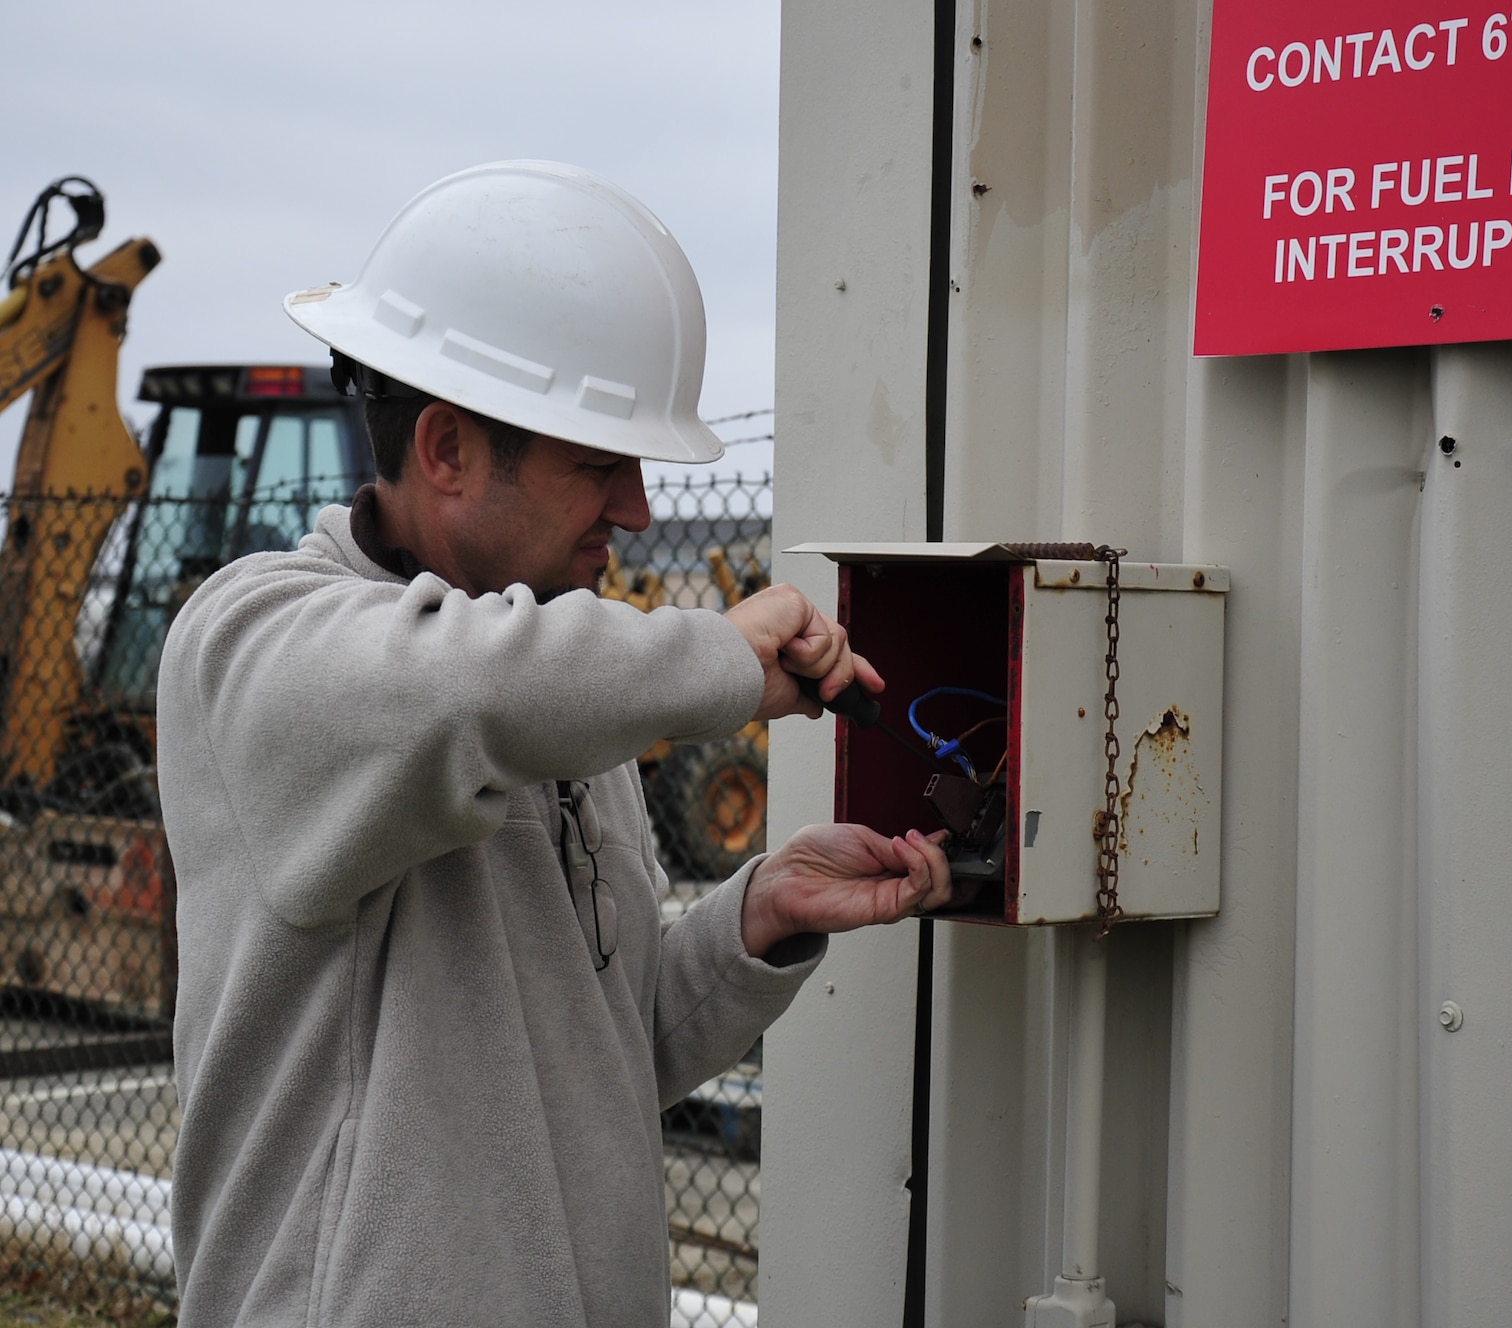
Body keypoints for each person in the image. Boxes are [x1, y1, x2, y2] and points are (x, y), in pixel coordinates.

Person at [157, 161, 951, 1327]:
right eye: (598, 464)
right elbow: (460, 689)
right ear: (445, 450)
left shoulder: (569, 696)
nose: (635, 508)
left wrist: (757, 917)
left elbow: (599, 1060)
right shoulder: (253, 640)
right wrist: (721, 655)